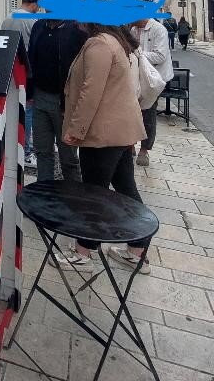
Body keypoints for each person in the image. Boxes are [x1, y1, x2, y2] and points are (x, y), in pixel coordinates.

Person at [54, 23, 150, 274]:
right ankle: (137, 251)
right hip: (119, 131)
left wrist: (75, 129)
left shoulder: (98, 44)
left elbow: (90, 91)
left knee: (93, 194)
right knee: (126, 189)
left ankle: (83, 252)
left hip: (103, 133)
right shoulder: (114, 40)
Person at [27, 0, 87, 182]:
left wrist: (73, 103)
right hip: (40, 99)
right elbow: (31, 60)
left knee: (68, 157)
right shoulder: (38, 27)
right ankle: (44, 195)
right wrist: (29, 94)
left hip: (65, 102)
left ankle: (73, 200)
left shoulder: (77, 30)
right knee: (43, 151)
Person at [2, 0, 41, 168]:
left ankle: (9, 146)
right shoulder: (33, 21)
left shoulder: (8, 18)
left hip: (8, 69)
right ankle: (25, 151)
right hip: (28, 71)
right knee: (28, 110)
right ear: (33, 4)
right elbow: (37, 47)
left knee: (11, 108)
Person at [131, 16, 174, 163]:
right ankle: (131, 143)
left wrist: (138, 54)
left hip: (156, 79)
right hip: (139, 77)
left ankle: (144, 150)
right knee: (132, 110)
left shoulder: (158, 29)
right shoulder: (133, 29)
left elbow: (160, 56)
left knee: (148, 112)